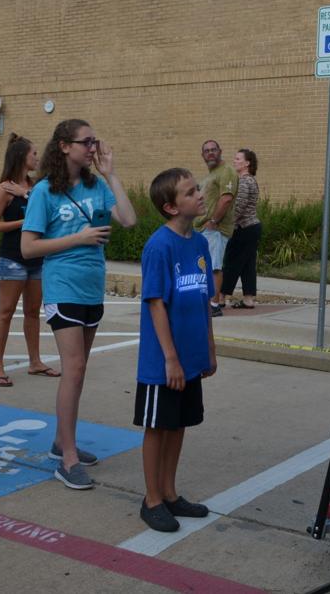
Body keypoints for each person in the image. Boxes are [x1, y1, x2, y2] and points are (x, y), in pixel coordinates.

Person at [21, 119, 137, 490]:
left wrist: (112, 174)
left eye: (95, 141)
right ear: (63, 146)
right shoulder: (43, 191)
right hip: (62, 287)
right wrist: (79, 237)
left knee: (80, 369)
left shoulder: (95, 185)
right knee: (73, 369)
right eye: (86, 142)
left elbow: (129, 220)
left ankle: (62, 440)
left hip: (91, 288)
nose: (92, 148)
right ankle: (67, 458)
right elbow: (28, 247)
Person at [135, 168, 218, 532]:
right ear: (171, 207)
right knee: (158, 427)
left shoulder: (200, 244)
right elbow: (156, 304)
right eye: (190, 192)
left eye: (197, 189)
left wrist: (209, 350)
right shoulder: (159, 246)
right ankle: (151, 499)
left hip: (191, 358)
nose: (199, 195)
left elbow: (205, 302)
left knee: (179, 423)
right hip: (163, 363)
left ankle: (169, 493)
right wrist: (170, 358)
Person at [0, 134, 58, 387]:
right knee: (5, 312)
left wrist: (27, 194)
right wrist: (25, 222)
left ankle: (35, 361)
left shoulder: (37, 186)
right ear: (21, 158)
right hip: (13, 258)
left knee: (32, 312)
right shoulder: (4, 189)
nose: (37, 158)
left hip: (37, 258)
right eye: (33, 154)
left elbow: (52, 213)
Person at [194, 140, 237, 317]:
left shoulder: (227, 171)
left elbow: (226, 198)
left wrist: (213, 220)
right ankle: (206, 301)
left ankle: (214, 304)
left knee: (214, 267)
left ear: (220, 151)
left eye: (213, 150)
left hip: (216, 229)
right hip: (202, 229)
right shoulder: (211, 174)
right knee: (204, 266)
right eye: (206, 151)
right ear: (202, 155)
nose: (210, 153)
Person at [219, 148, 262, 309]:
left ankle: (221, 297)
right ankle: (248, 299)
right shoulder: (250, 180)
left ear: (247, 163)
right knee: (247, 265)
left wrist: (225, 224)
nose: (234, 161)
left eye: (238, 159)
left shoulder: (244, 181)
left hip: (243, 228)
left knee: (231, 262)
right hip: (252, 228)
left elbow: (238, 207)